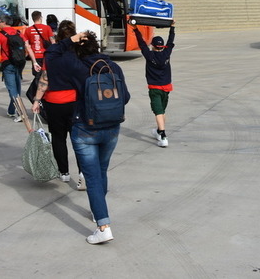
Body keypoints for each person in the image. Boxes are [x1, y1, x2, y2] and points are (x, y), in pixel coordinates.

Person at [50, 30, 130, 244]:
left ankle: (103, 227)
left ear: (77, 49)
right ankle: (97, 211)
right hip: (112, 127)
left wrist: (70, 40)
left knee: (92, 177)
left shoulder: (75, 65)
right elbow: (126, 97)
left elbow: (50, 55)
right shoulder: (113, 67)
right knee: (101, 172)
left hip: (85, 128)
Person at [31, 20, 84, 187]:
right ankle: (82, 171)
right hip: (74, 100)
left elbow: (44, 79)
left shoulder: (52, 54)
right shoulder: (78, 53)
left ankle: (64, 172)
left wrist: (37, 100)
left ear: (58, 36)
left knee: (58, 138)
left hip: (54, 101)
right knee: (78, 139)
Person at [132, 22, 176, 147]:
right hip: (166, 88)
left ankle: (163, 136)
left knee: (158, 112)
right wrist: (172, 28)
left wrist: (135, 29)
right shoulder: (167, 53)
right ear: (162, 46)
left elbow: (141, 43)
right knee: (161, 111)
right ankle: (158, 131)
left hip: (154, 88)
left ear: (152, 46)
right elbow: (171, 41)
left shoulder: (149, 55)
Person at [0, 16, 40, 122]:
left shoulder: (0, 34)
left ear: (4, 23)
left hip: (8, 64)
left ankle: (21, 113)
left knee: (12, 89)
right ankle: (11, 110)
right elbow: (28, 47)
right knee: (16, 88)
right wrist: (34, 62)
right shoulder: (18, 33)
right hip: (20, 63)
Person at [24, 11, 54, 78]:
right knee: (47, 76)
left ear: (32, 18)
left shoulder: (28, 30)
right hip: (46, 55)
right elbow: (53, 42)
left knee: (37, 76)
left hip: (35, 56)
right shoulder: (47, 28)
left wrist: (34, 61)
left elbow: (27, 46)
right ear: (40, 17)